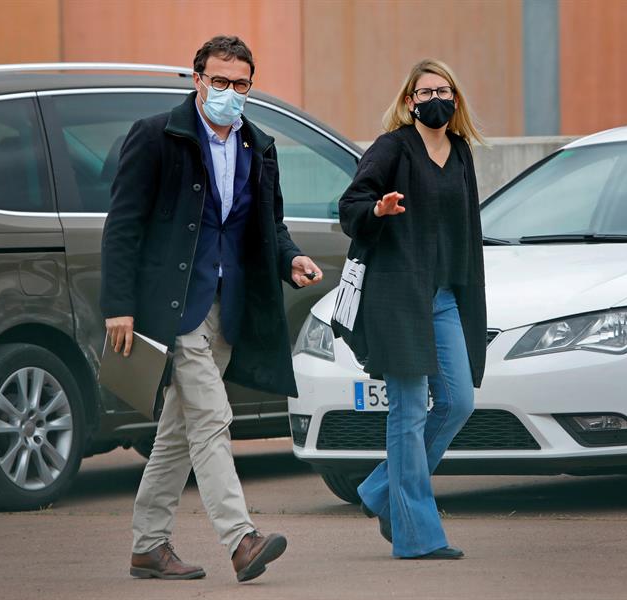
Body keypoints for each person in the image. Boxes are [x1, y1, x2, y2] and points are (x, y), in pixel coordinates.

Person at [100, 35, 322, 583]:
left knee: (181, 428)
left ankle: (148, 545)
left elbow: (269, 226)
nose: (228, 91)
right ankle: (241, 538)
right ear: (196, 78)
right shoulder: (157, 137)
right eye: (218, 80)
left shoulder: (258, 146)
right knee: (212, 418)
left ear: (252, 85)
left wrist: (290, 260)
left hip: (229, 304)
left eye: (239, 83)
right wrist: (119, 306)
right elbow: (123, 225)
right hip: (172, 305)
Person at [338, 59, 487, 559]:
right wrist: (377, 210)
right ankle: (418, 536)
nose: (434, 100)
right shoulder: (392, 148)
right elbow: (350, 205)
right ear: (408, 102)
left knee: (457, 402)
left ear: (456, 99)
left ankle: (382, 491)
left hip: (444, 296)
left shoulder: (461, 153)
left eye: (443, 91)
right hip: (398, 296)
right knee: (406, 414)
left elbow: (468, 230)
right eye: (424, 93)